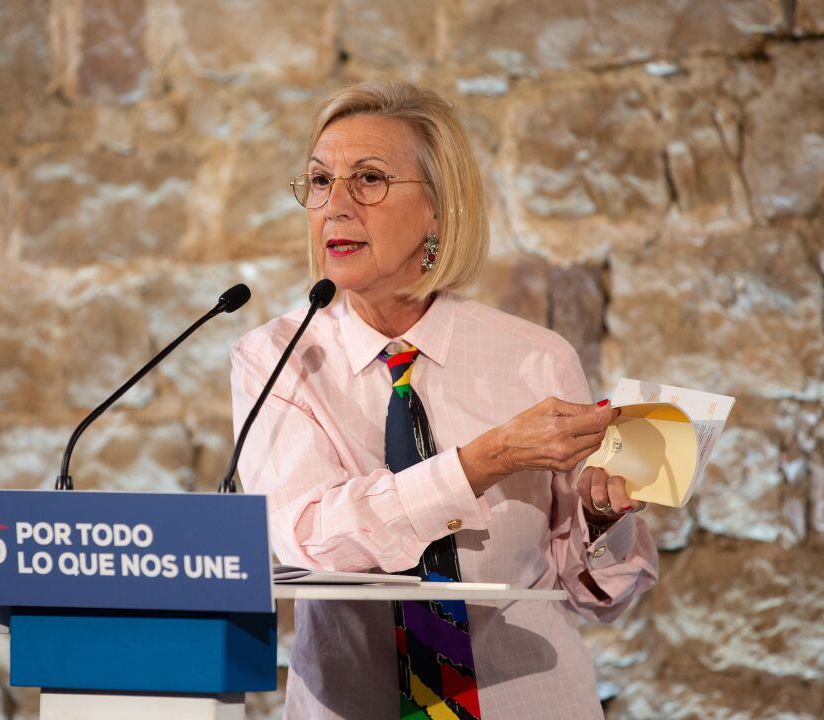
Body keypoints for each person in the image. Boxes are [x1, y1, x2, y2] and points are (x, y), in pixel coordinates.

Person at [230, 81, 658, 720]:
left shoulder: (537, 358)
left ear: (437, 208)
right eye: (320, 181)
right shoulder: (275, 360)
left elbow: (597, 595)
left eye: (368, 179)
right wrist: (487, 459)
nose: (335, 206)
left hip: (530, 700)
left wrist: (602, 524)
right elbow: (311, 541)